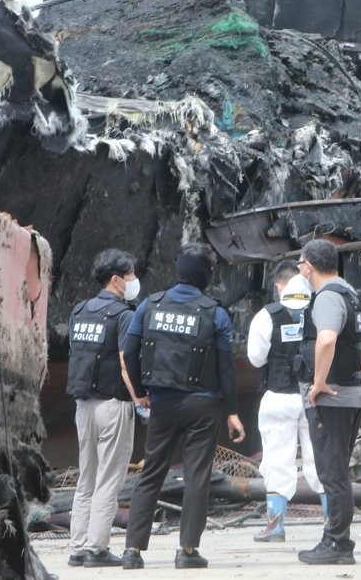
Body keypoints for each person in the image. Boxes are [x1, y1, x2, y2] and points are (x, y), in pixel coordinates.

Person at [120, 242, 246, 570]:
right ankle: (187, 550)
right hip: (203, 406)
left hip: (161, 403)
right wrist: (232, 412)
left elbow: (129, 352)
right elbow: (225, 367)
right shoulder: (214, 312)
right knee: (197, 477)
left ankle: (132, 551)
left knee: (150, 474)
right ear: (204, 274)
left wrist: (141, 392)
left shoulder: (149, 306)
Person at [66, 249, 143, 568]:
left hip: (83, 405)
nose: (134, 281)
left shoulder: (80, 310)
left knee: (87, 477)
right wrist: (140, 398)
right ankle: (97, 549)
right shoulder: (124, 315)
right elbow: (126, 363)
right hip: (113, 404)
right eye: (131, 275)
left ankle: (77, 547)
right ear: (116, 280)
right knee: (109, 479)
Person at [295, 239, 361, 565]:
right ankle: (335, 538)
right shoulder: (351, 294)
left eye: (300, 263)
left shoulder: (327, 297)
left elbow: (326, 339)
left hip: (332, 399)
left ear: (309, 265)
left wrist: (320, 381)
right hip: (350, 395)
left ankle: (338, 543)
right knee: (336, 471)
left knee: (332, 474)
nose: (299, 268)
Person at [247, 265, 325, 542]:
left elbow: (256, 358)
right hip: (315, 395)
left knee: (277, 459)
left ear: (281, 289)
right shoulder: (320, 312)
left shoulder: (268, 315)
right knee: (321, 456)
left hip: (279, 395)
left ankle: (276, 525)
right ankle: (332, 523)